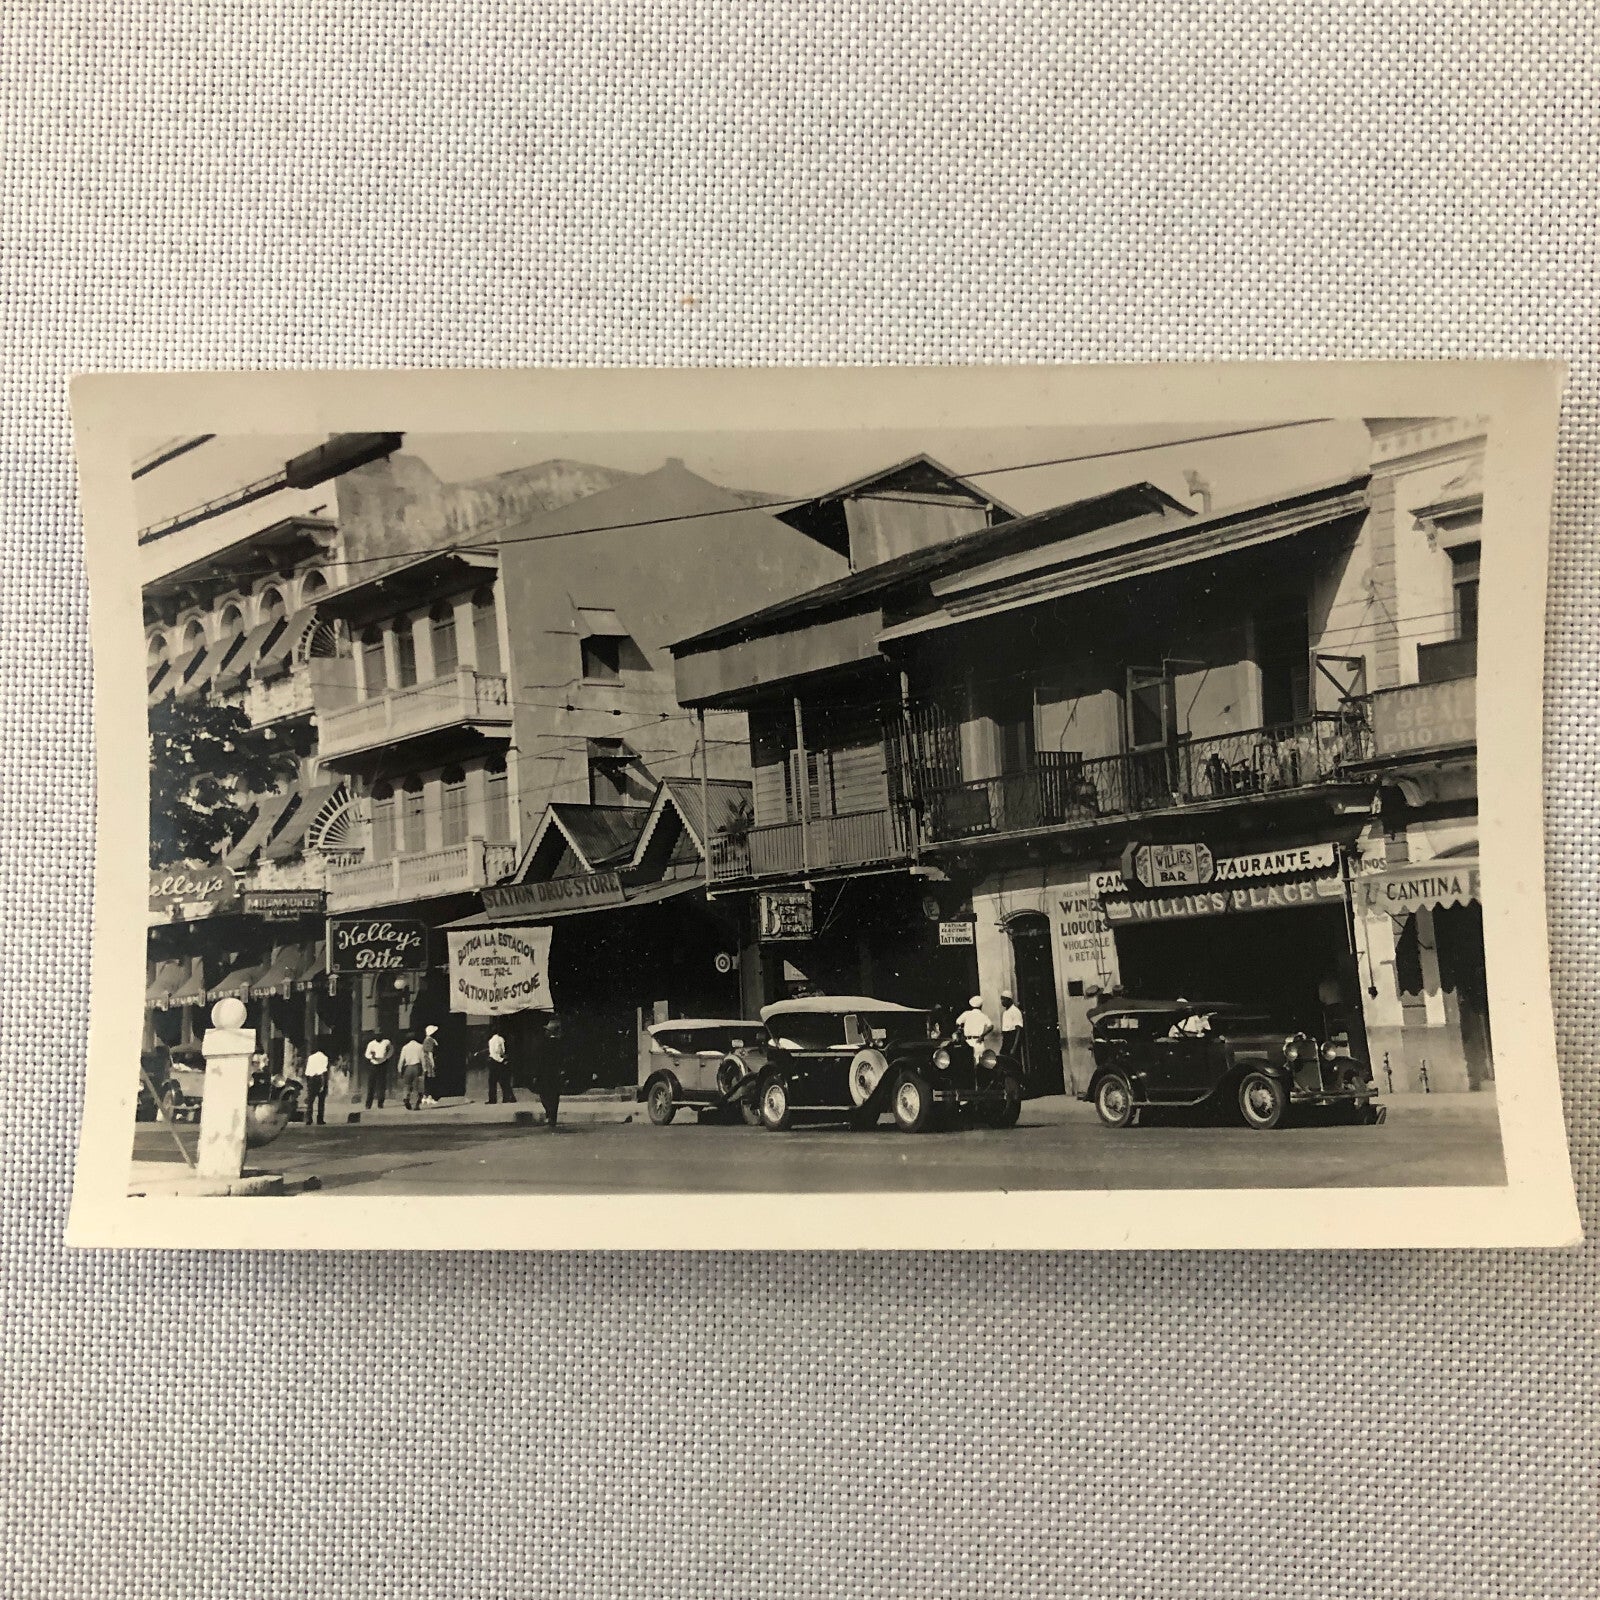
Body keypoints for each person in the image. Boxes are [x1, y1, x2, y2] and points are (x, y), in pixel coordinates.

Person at [536, 1014, 565, 1130]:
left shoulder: (545, 1044)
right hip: (555, 1073)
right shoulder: (559, 1044)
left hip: (546, 1074)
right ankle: (553, 1117)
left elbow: (540, 1060)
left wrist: (537, 1073)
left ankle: (550, 1113)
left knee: (544, 1094)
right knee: (554, 1096)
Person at [955, 994, 993, 1064]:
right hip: (978, 1042)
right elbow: (991, 1026)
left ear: (971, 1005)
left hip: (967, 1042)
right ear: (981, 1006)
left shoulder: (966, 1014)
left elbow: (957, 1022)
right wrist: (982, 1035)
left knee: (967, 1063)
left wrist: (962, 1029)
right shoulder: (983, 1015)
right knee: (979, 1063)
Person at [302, 1037, 330, 1126]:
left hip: (311, 1079)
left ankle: (309, 1119)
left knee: (310, 1101)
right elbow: (324, 1071)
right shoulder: (325, 1057)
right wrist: (325, 1083)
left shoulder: (311, 1057)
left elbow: (307, 1072)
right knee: (321, 1101)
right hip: (320, 1079)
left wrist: (308, 1084)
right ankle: (320, 1119)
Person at [397, 1030, 427, 1111]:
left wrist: (399, 1070)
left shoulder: (405, 1047)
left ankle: (406, 1098)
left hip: (408, 1068)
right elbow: (423, 1059)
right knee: (417, 1087)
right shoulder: (420, 1046)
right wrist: (425, 1069)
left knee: (407, 1085)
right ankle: (416, 1105)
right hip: (417, 1067)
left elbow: (401, 1060)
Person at [363, 1032, 393, 1109]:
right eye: (376, 1035)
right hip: (374, 1064)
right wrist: (372, 1057)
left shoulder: (386, 1042)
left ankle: (380, 1103)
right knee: (371, 1085)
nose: (378, 1037)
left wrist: (386, 1057)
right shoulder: (371, 1044)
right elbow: (367, 1054)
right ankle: (368, 1104)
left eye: (379, 1035)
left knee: (381, 1085)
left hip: (382, 1064)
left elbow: (391, 1050)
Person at [486, 1026, 515, 1104]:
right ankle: (507, 1097)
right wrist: (503, 1059)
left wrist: (498, 1058)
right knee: (503, 1080)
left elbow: (494, 1051)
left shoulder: (491, 1040)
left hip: (494, 1061)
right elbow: (503, 1050)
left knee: (492, 1081)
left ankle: (492, 1099)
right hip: (501, 1061)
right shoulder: (501, 1039)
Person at [999, 990, 1025, 1063]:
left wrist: (1014, 1047)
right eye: (1001, 999)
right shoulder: (1005, 1012)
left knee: (1014, 1062)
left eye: (1004, 999)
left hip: (1012, 1039)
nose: (1002, 1001)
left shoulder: (1015, 1011)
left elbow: (1018, 1030)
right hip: (1006, 1039)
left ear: (1009, 1000)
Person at [421, 1023, 441, 1105]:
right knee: (430, 1079)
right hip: (429, 1062)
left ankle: (426, 1096)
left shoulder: (427, 1040)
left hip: (426, 1061)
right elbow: (430, 1053)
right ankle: (429, 1096)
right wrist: (433, 1063)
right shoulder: (429, 1040)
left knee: (427, 1079)